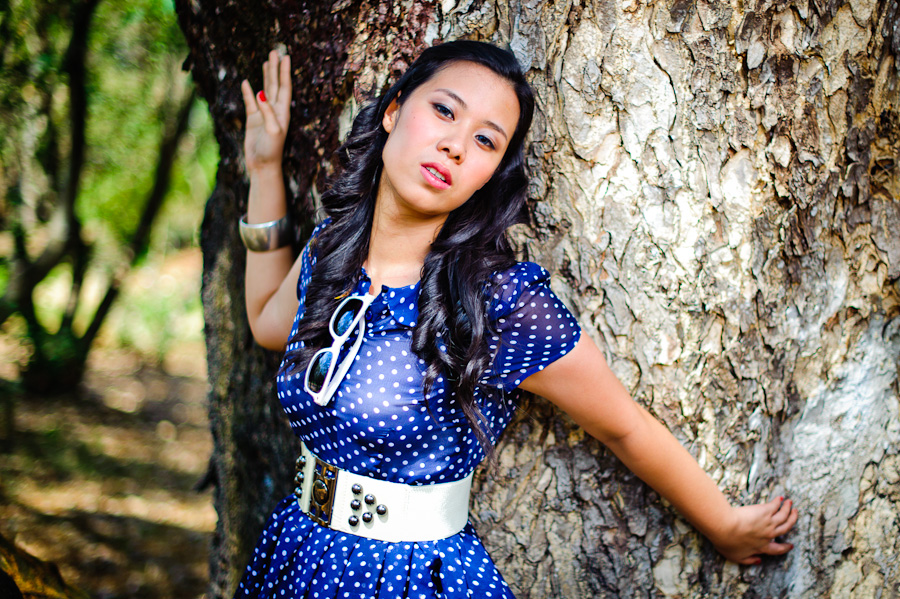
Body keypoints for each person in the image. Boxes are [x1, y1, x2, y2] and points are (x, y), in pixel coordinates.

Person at [234, 40, 798, 598]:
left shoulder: (495, 301)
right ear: (393, 110)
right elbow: (265, 323)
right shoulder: (332, 251)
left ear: (490, 173)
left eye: (485, 140)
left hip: (407, 579)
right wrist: (262, 169)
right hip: (296, 556)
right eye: (444, 110)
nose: (455, 145)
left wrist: (724, 524)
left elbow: (624, 425)